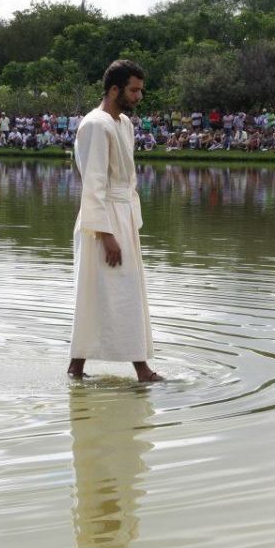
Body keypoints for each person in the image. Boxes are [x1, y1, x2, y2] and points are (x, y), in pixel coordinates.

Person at [67, 59, 159, 383]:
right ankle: (140, 371)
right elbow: (93, 184)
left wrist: (128, 225)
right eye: (134, 90)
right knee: (101, 291)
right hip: (102, 219)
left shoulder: (124, 125)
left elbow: (126, 180)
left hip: (123, 216)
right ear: (115, 89)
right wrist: (106, 234)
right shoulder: (96, 124)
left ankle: (78, 368)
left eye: (140, 90)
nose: (139, 97)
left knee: (123, 290)